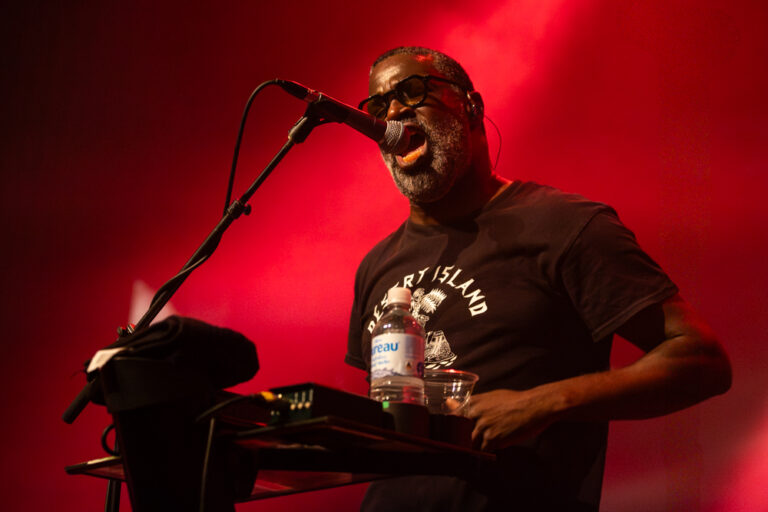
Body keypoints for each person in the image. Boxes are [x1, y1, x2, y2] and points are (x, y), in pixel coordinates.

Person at [345, 46, 731, 511]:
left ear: (471, 106)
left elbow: (701, 359)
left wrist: (541, 403)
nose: (392, 113)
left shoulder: (564, 225)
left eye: (412, 91)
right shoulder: (376, 265)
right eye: (379, 105)